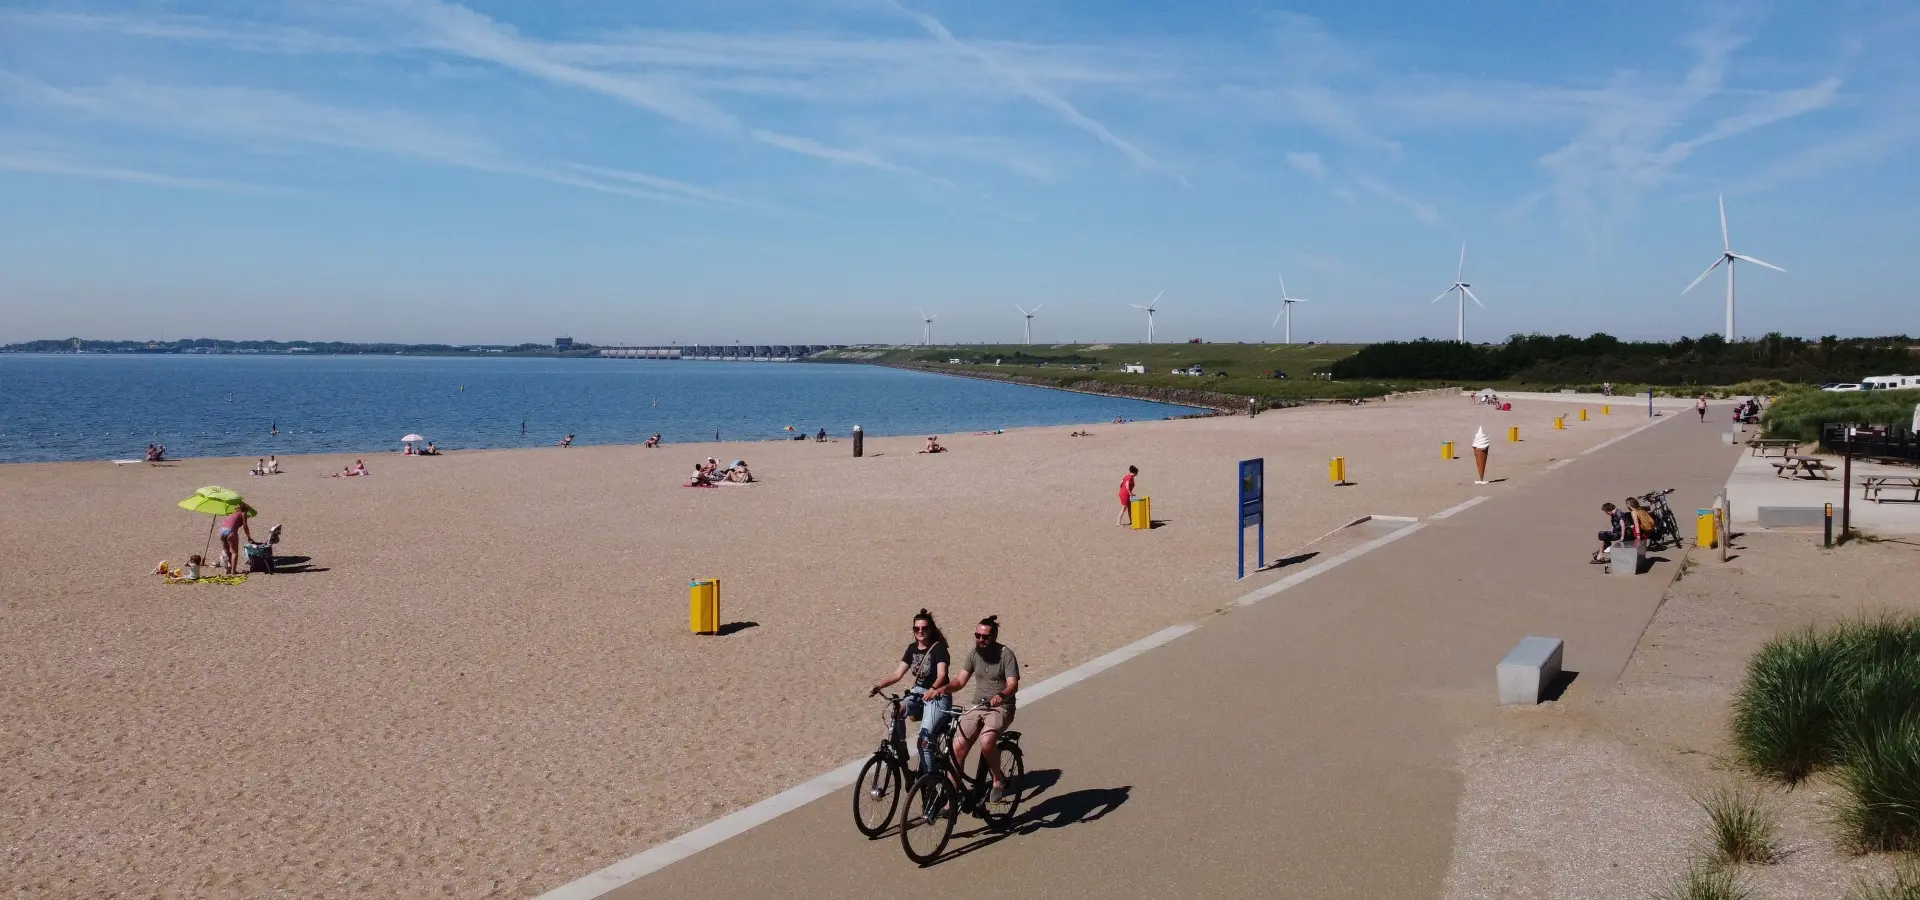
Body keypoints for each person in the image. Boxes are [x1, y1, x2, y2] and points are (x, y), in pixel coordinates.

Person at [929, 616, 1019, 804]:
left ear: (994, 636)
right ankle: (952, 797)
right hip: (978, 705)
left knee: (986, 741)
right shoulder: (974, 654)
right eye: (977, 636)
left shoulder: (1006, 655)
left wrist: (1001, 696)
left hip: (1001, 707)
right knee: (957, 748)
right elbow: (960, 681)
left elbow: (1013, 685)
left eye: (984, 637)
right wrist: (942, 689)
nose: (980, 640)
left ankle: (997, 779)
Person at [869, 609, 951, 773]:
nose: (920, 632)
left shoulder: (939, 648)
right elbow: (897, 674)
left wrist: (933, 690)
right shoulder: (912, 648)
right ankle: (902, 747)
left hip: (938, 696)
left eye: (924, 628)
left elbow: (942, 675)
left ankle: (930, 780)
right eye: (916, 629)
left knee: (924, 740)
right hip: (918, 692)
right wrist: (879, 685)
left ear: (931, 629)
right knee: (897, 711)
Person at [217, 503, 255, 575]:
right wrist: (249, 537)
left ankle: (228, 569)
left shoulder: (233, 513)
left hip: (222, 530)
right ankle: (233, 571)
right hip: (231, 531)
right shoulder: (243, 514)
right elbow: (245, 527)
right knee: (234, 552)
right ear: (246, 509)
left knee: (226, 550)